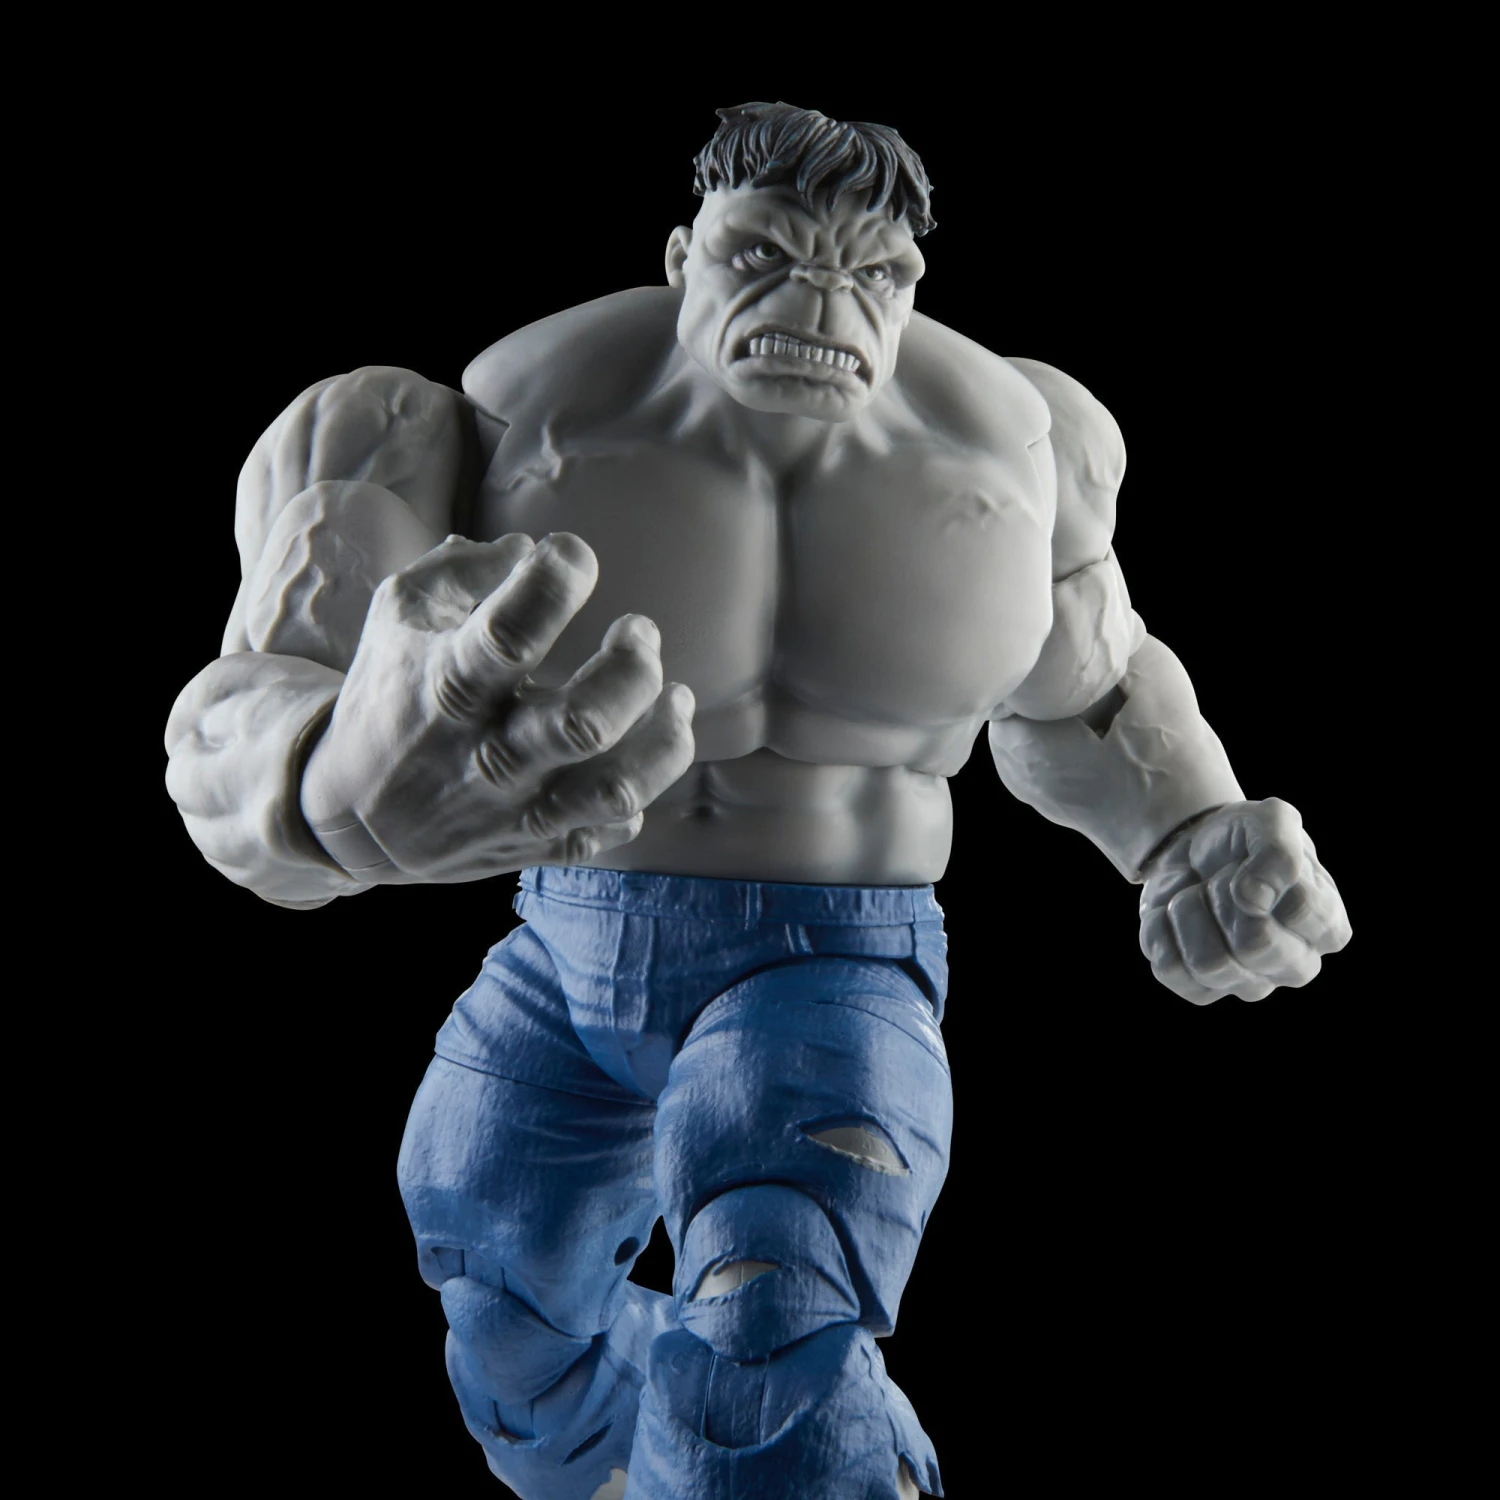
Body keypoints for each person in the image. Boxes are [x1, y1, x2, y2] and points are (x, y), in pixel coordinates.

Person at [164, 102, 1351, 1500]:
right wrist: (324, 786)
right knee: (498, 1291)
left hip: (828, 961)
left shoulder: (1020, 445)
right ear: (683, 255)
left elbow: (1088, 690)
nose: (819, 305)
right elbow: (246, 706)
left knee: (773, 1324)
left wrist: (1197, 834)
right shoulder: (458, 425)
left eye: (873, 275)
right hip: (563, 944)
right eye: (764, 257)